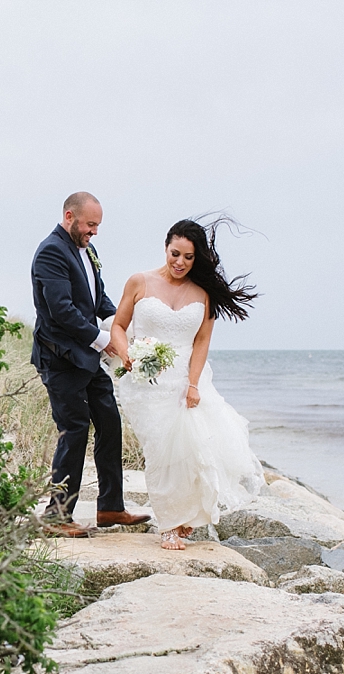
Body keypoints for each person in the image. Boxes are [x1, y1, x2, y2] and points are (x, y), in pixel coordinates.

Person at [109, 218, 263, 550]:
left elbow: (202, 343)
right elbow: (119, 327)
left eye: (188, 257)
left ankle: (186, 518)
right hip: (146, 379)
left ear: (197, 258)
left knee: (191, 449)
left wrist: (192, 384)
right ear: (165, 248)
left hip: (184, 379)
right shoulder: (139, 282)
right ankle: (168, 524)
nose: (180, 262)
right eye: (175, 253)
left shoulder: (203, 293)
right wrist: (127, 355)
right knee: (160, 449)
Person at [31, 192, 151, 537]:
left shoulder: (89, 250)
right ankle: (56, 515)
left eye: (97, 225)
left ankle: (110, 507)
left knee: (111, 424)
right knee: (75, 429)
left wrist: (120, 326)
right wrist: (105, 341)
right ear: (70, 216)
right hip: (59, 358)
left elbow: (98, 299)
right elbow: (61, 311)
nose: (94, 231)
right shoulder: (51, 252)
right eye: (90, 224)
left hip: (87, 358)